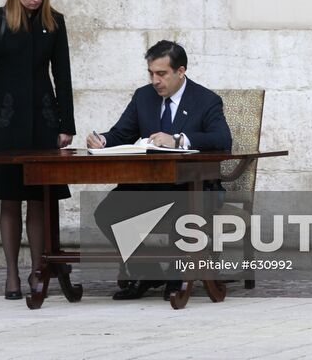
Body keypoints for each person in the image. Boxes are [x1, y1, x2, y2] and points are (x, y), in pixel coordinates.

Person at [86, 39, 231, 300]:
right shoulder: (144, 96)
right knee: (108, 212)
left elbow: (222, 139)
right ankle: (149, 270)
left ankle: (178, 278)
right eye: (151, 73)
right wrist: (103, 140)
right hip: (150, 185)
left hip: (195, 187)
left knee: (183, 208)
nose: (155, 81)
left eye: (161, 74)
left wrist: (179, 140)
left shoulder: (206, 100)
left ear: (180, 71)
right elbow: (122, 132)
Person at [0, 0, 75, 300]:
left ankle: (38, 271)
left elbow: (63, 75)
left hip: (42, 122)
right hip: (5, 121)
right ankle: (12, 274)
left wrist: (65, 124)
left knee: (40, 199)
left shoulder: (54, 22)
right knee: (10, 199)